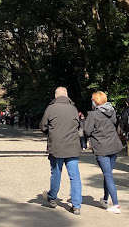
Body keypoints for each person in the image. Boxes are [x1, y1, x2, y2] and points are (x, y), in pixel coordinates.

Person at [40, 87, 82, 215]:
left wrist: (51, 133)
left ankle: (52, 198)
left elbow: (43, 126)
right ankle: (76, 205)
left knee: (56, 174)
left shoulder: (51, 108)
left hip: (56, 146)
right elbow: (78, 125)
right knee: (74, 176)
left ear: (56, 96)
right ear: (67, 95)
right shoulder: (73, 109)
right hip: (72, 147)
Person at [84, 91, 123, 214]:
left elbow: (87, 131)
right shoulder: (112, 112)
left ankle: (116, 204)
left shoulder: (93, 115)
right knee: (108, 174)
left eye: (92, 99)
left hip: (102, 147)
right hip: (114, 145)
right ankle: (105, 199)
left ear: (95, 101)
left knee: (108, 175)